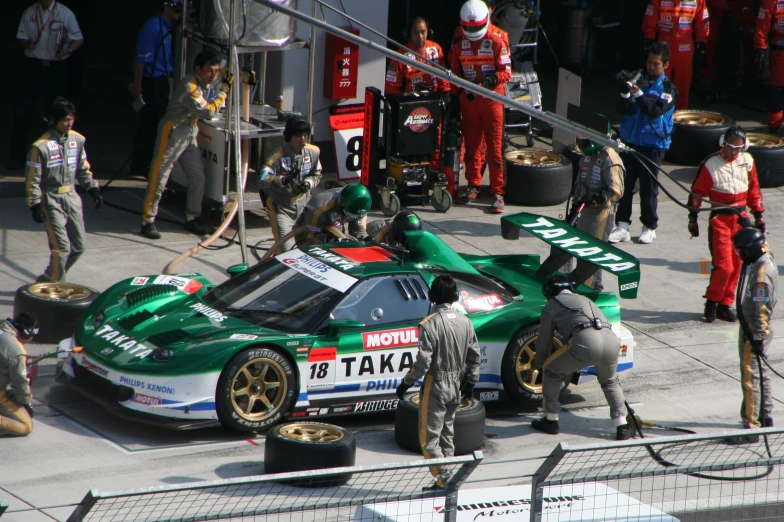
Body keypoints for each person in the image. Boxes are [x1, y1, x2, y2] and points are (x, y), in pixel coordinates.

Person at [396, 275, 481, 489]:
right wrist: (470, 382)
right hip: (456, 386)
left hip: (436, 385)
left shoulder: (429, 324)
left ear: (432, 296)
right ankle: (446, 480)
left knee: (429, 440)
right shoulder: (466, 322)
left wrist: (407, 383)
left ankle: (445, 479)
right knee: (447, 436)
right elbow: (475, 357)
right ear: (454, 297)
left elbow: (423, 362)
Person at [140, 50, 233, 240]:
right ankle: (147, 220)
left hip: (190, 132)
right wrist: (224, 91)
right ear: (198, 69)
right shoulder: (188, 86)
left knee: (198, 177)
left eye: (216, 71)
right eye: (210, 71)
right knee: (160, 175)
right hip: (172, 132)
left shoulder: (207, 77)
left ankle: (192, 218)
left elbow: (221, 71)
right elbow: (208, 112)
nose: (214, 75)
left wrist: (239, 72)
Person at [531, 274, 634, 441]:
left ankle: (550, 420)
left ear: (549, 292)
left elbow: (544, 340)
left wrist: (540, 363)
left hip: (585, 341)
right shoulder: (586, 300)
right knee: (609, 381)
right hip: (611, 340)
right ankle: (621, 425)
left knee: (551, 371)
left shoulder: (551, 307)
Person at [687, 126, 764, 323]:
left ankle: (725, 304)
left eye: (738, 148)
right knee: (723, 266)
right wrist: (693, 219)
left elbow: (754, 191)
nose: (734, 152)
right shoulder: (710, 164)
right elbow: (696, 193)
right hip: (720, 221)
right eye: (730, 147)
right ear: (723, 143)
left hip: (742, 221)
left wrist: (759, 216)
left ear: (744, 147)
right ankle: (712, 302)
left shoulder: (747, 161)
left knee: (738, 264)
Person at [26, 98, 101, 283]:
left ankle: (48, 278)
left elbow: (83, 168)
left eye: (71, 119)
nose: (69, 124)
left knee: (79, 247)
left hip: (72, 197)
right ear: (53, 121)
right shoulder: (39, 147)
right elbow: (32, 179)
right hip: (51, 199)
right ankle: (55, 288)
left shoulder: (78, 140)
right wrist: (35, 204)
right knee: (61, 248)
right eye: (65, 120)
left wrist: (92, 187)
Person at [610, 42, 677, 245]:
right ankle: (622, 225)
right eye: (649, 62)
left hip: (652, 145)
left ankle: (649, 227)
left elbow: (654, 110)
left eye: (656, 64)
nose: (651, 67)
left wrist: (638, 94)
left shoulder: (669, 89)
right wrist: (624, 93)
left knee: (648, 188)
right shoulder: (639, 80)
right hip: (630, 141)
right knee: (625, 184)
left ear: (665, 65)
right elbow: (622, 110)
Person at [451, 0, 512, 214]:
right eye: (469, 27)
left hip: (492, 98)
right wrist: (454, 96)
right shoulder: (458, 39)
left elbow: (507, 72)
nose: (473, 31)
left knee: (495, 148)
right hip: (469, 101)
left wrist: (489, 81)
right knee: (472, 146)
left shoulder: (499, 38)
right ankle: (473, 186)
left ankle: (497, 191)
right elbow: (454, 72)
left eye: (477, 27)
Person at [9, 0, 84, 170]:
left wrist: (68, 49)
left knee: (56, 112)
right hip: (34, 64)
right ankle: (16, 157)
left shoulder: (64, 13)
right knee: (23, 111)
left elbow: (78, 38)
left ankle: (55, 158)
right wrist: (27, 44)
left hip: (56, 67)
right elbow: (22, 37)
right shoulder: (30, 12)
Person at [552, 139, 625, 291]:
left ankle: (591, 290)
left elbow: (616, 191)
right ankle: (567, 285)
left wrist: (597, 198)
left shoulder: (610, 159)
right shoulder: (585, 157)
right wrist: (574, 205)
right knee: (568, 246)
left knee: (591, 254)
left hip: (600, 214)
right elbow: (579, 183)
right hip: (581, 209)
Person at [385, 16, 450, 175]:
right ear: (408, 34)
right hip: (411, 111)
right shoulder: (400, 56)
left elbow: (444, 78)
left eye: (423, 32)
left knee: (437, 141)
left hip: (433, 106)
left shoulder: (436, 50)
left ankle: (433, 174)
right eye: (416, 33)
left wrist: (447, 94)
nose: (420, 37)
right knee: (411, 146)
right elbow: (391, 89)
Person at [130, 0, 184, 177]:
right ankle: (140, 165)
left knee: (158, 122)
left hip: (163, 79)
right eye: (176, 10)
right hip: (151, 80)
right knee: (150, 123)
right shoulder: (152, 28)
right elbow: (140, 60)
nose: (179, 14)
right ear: (166, 8)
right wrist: (138, 86)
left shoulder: (168, 26)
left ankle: (150, 163)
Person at [732, 227, 777, 437]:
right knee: (762, 374)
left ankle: (751, 426)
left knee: (750, 379)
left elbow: (761, 310)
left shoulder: (760, 276)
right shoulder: (764, 257)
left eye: (742, 251)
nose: (740, 255)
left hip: (753, 331)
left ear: (751, 250)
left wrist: (758, 336)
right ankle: (766, 415)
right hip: (756, 329)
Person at [260, 117, 322, 254]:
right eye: (298, 136)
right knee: (285, 251)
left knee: (307, 248)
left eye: (305, 135)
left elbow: (316, 174)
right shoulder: (276, 158)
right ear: (289, 137)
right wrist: (280, 180)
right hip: (281, 208)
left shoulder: (313, 152)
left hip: (304, 206)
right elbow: (262, 179)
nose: (303, 140)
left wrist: (308, 183)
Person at [642, 0, 709, 110]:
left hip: (685, 47)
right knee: (659, 83)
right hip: (663, 45)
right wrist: (649, 37)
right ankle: (658, 114)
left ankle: (680, 116)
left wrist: (701, 42)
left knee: (683, 85)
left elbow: (703, 20)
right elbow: (650, 15)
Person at [294, 183, 372, 245]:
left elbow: (356, 230)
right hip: (309, 234)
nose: (352, 218)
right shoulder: (319, 209)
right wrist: (333, 241)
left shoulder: (358, 206)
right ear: (342, 205)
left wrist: (367, 239)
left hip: (335, 232)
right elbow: (311, 237)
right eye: (351, 216)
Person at [0, 313, 38, 437]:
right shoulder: (16, 351)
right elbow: (20, 383)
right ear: (26, 334)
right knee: (26, 426)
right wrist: (25, 402)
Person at [755, 0, 784, 133]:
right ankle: (774, 127)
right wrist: (760, 49)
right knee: (777, 92)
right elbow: (762, 25)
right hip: (779, 53)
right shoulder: (772, 1)